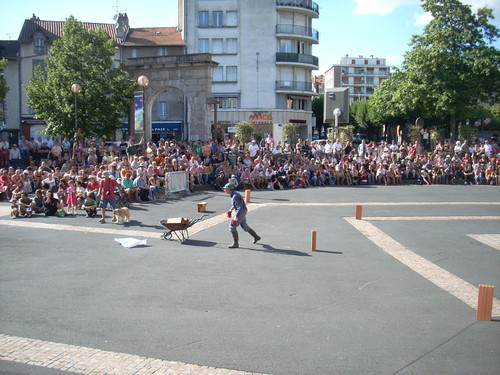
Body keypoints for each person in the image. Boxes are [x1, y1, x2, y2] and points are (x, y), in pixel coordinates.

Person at [223, 182, 261, 248]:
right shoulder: (233, 194)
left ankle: (236, 244)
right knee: (244, 226)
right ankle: (256, 237)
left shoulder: (235, 196)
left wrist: (236, 217)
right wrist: (231, 209)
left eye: (226, 189)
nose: (224, 190)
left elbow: (240, 207)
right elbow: (235, 204)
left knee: (232, 227)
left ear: (229, 189)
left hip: (241, 211)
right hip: (242, 211)